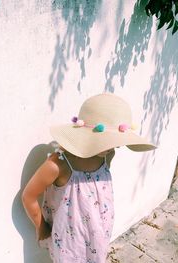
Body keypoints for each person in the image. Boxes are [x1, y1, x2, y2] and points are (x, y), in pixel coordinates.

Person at [22, 93, 156, 263]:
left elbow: (96, 190)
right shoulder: (58, 165)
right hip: (69, 239)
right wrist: (41, 227)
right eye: (108, 141)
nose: (116, 146)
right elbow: (29, 196)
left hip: (99, 231)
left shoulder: (107, 156)